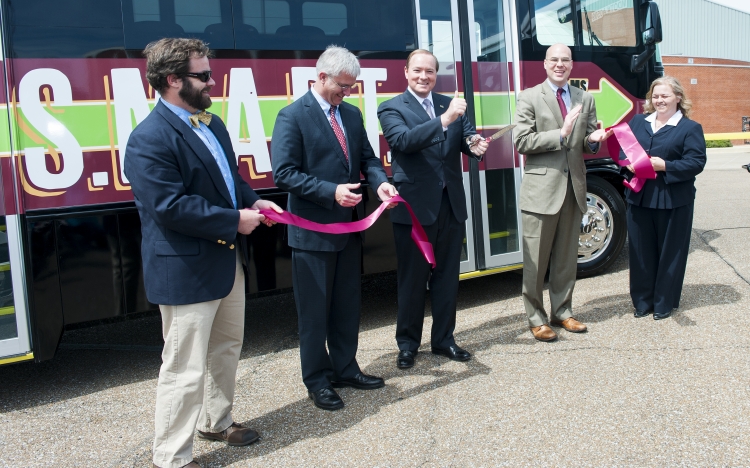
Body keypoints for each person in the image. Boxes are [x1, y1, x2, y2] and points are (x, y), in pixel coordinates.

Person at [124, 38, 282, 468]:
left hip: (225, 260)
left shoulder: (211, 124)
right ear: (173, 80)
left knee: (226, 347)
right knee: (184, 367)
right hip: (186, 269)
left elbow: (231, 180)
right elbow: (170, 208)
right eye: (203, 75)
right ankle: (171, 457)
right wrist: (234, 220)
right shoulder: (148, 139)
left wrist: (254, 201)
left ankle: (216, 421)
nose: (213, 82)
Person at [271, 45, 399, 410]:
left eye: (352, 86)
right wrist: (331, 192)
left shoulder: (352, 115)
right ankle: (317, 379)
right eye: (343, 86)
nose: (348, 92)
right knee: (314, 313)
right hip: (312, 233)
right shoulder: (292, 116)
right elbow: (284, 173)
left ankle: (346, 368)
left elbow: (368, 159)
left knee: (347, 306)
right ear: (321, 77)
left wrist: (380, 183)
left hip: (349, 230)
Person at [377, 49, 489, 369]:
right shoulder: (392, 107)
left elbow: (466, 139)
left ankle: (443, 340)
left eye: (430, 71)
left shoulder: (449, 103)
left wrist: (475, 146)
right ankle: (408, 345)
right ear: (406, 72)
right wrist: (447, 118)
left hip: (450, 205)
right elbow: (403, 141)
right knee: (412, 281)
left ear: (436, 74)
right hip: (413, 210)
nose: (424, 76)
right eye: (418, 70)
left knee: (447, 279)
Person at [513, 43, 611, 342]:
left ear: (571, 65)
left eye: (565, 60)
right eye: (554, 59)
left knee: (567, 258)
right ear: (545, 64)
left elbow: (586, 144)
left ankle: (563, 312)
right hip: (541, 190)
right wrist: (561, 133)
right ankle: (536, 318)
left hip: (573, 188)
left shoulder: (585, 97)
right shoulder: (529, 96)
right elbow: (521, 141)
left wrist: (593, 140)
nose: (559, 64)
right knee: (536, 260)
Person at [625, 76, 706, 320]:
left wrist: (666, 166)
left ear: (678, 98)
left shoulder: (690, 128)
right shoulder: (638, 121)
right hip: (639, 197)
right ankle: (642, 301)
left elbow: (696, 162)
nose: (659, 100)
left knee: (670, 252)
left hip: (673, 198)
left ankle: (663, 302)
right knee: (640, 251)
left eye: (665, 96)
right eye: (656, 96)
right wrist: (627, 163)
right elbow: (622, 147)